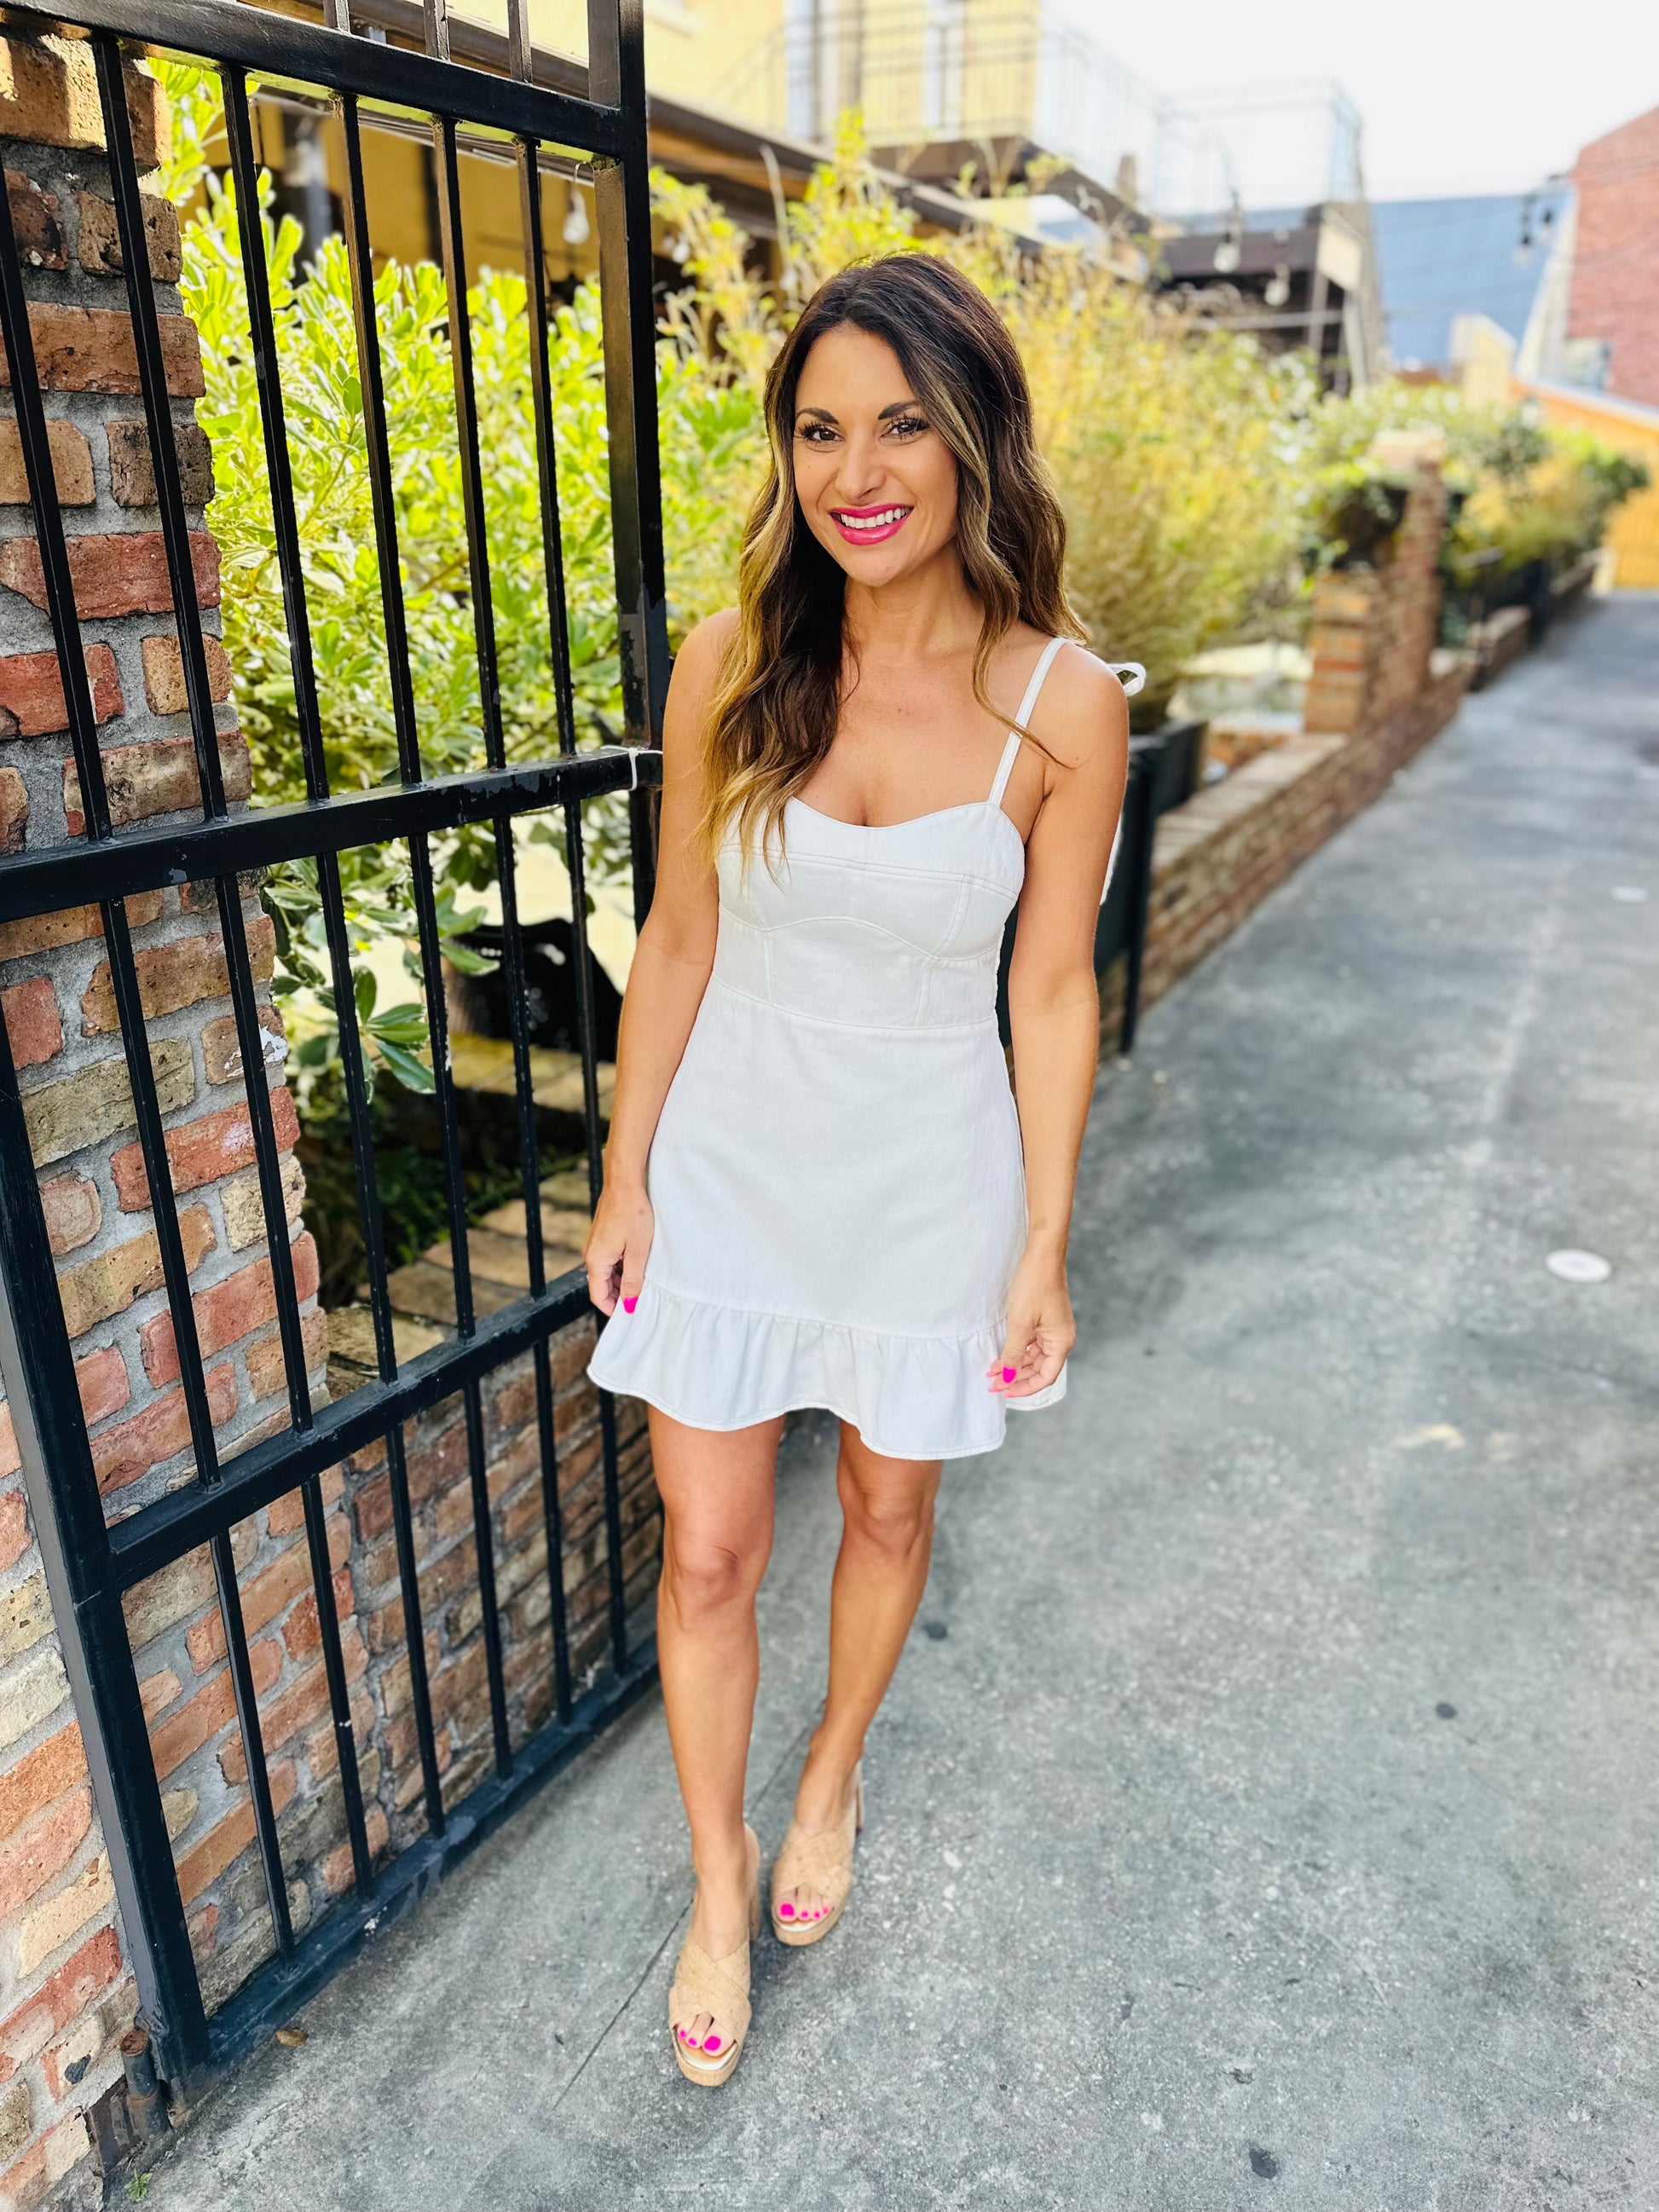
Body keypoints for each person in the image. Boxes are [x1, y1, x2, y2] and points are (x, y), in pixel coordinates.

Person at [582, 254, 1130, 2087]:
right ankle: (716, 1879)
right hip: (730, 1160)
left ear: (974, 440)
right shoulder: (732, 661)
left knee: (890, 1517)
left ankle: (829, 1777)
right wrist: (627, 1172)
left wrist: (1043, 1237)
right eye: (819, 430)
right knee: (710, 1550)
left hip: (926, 1174)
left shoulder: (1062, 703)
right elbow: (676, 936)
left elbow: (1050, 990)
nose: (856, 471)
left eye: (900, 424)